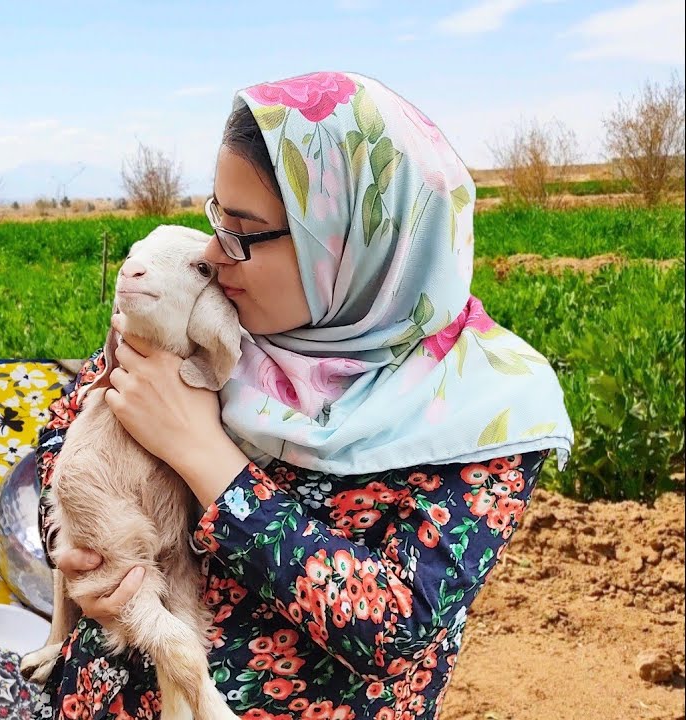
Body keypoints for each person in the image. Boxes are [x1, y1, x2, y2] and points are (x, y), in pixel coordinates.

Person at [31, 71, 574, 720]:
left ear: (346, 246)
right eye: (216, 214)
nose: (213, 249)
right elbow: (64, 433)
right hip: (113, 686)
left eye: (244, 229)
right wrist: (94, 561)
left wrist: (208, 460)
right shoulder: (212, 308)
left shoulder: (485, 409)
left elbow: (394, 630)